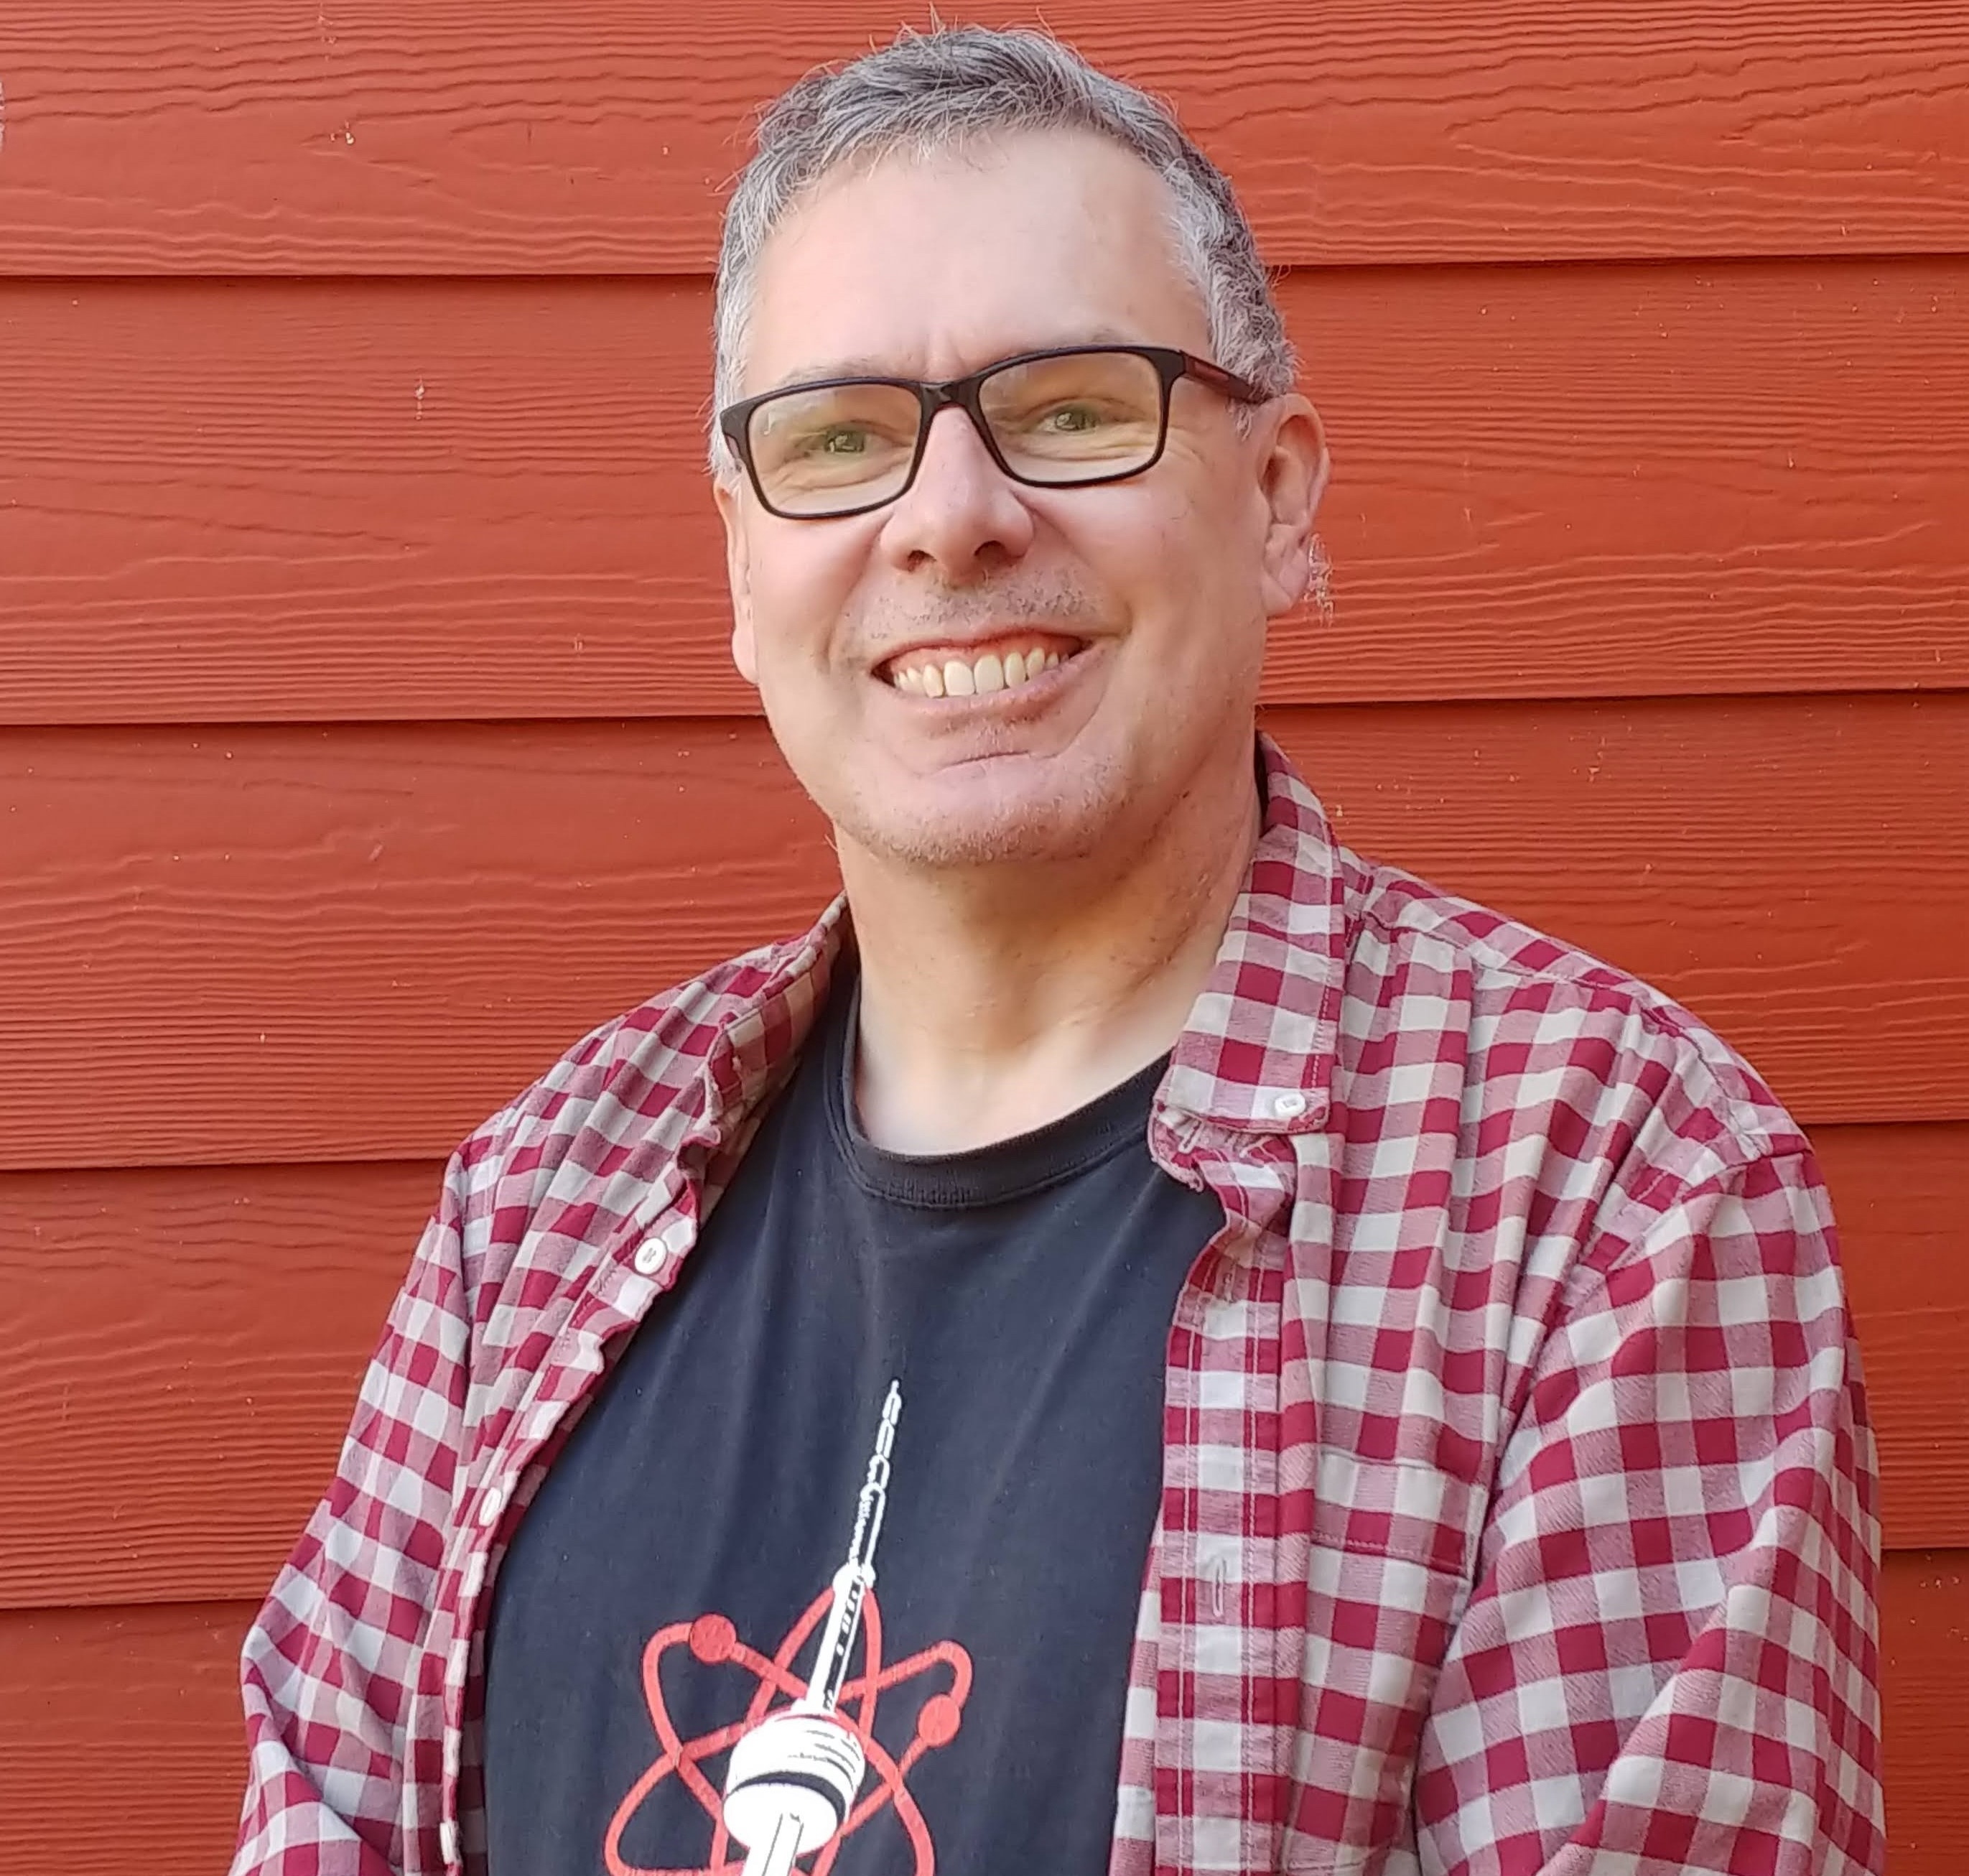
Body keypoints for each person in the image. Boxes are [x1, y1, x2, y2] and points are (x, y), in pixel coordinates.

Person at [229, 26, 1883, 1876]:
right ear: (738, 565)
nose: (950, 519)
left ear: (1276, 498)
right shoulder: (532, 1215)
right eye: (840, 439)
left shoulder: (1604, 1196)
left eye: (1076, 407)